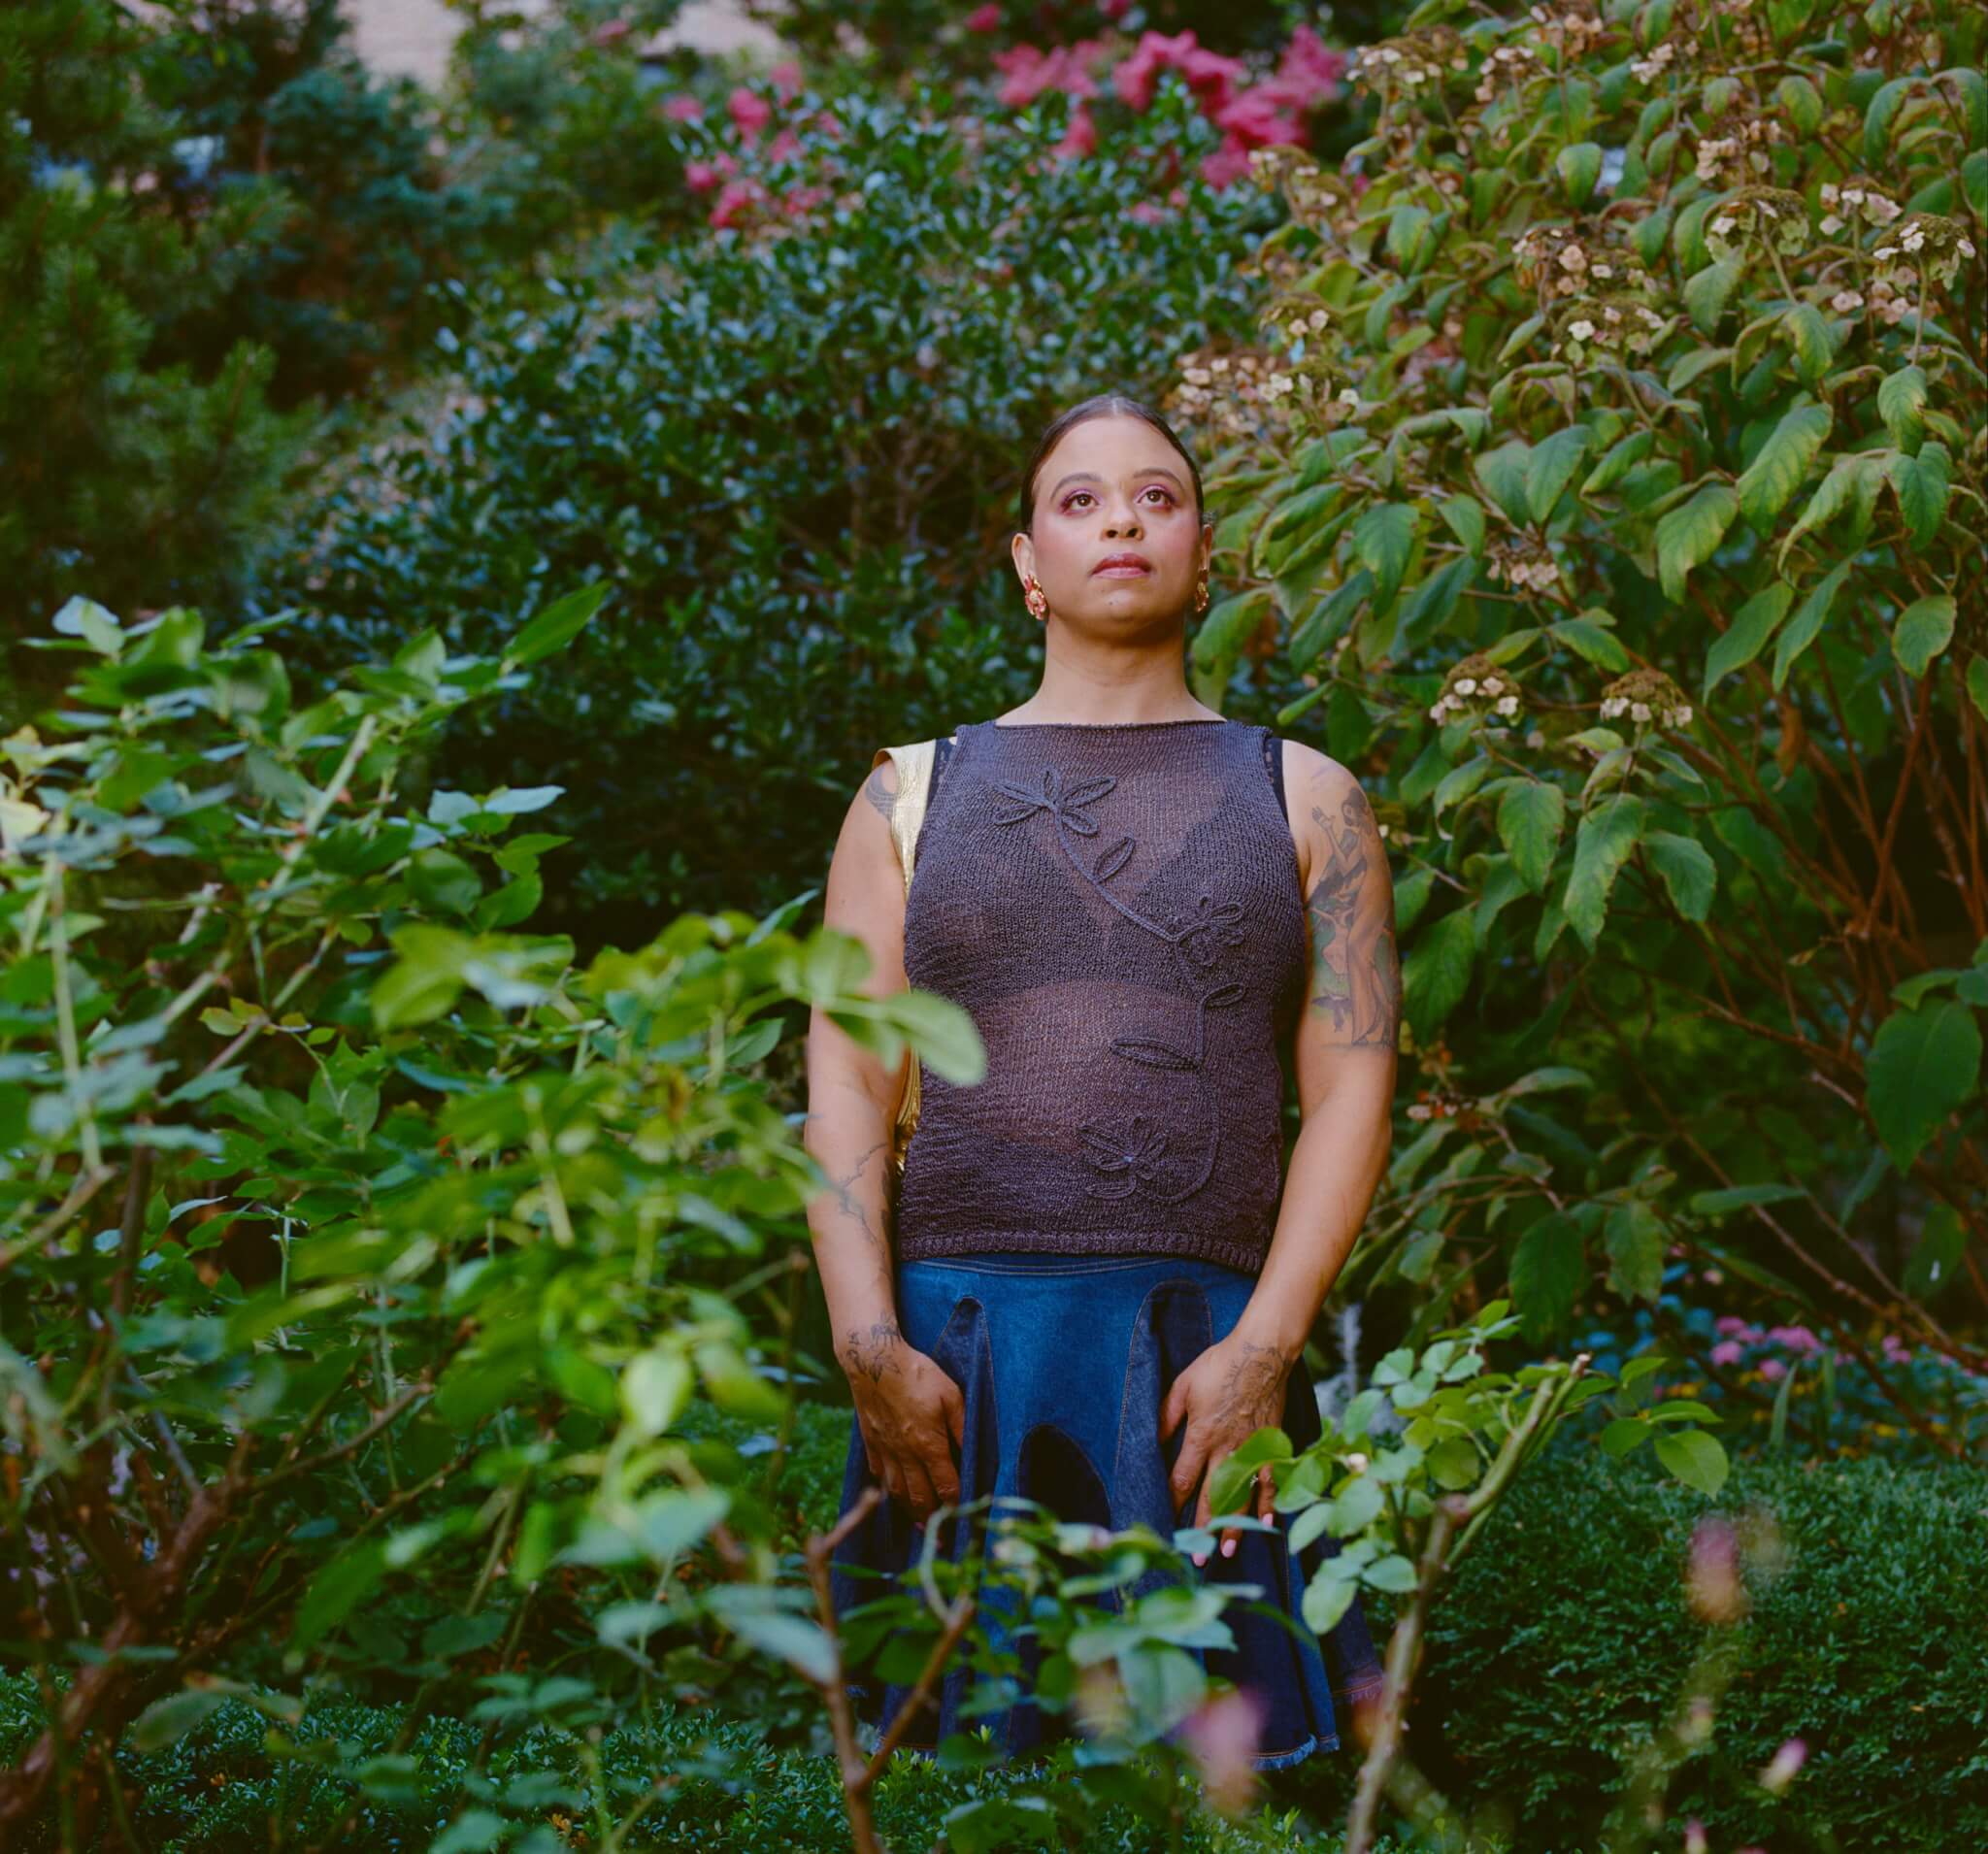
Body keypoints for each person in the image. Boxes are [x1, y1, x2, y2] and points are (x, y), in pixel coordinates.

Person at [803, 390, 1398, 1784]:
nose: (1121, 519)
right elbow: (847, 1080)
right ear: (1028, 562)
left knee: (1221, 1796)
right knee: (950, 1789)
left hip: (1205, 1363)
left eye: (1157, 496)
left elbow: (1352, 1095)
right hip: (960, 1366)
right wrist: (867, 1342)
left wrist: (1267, 1348)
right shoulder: (905, 797)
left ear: (1205, 553)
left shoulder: (1311, 798)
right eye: (1079, 500)